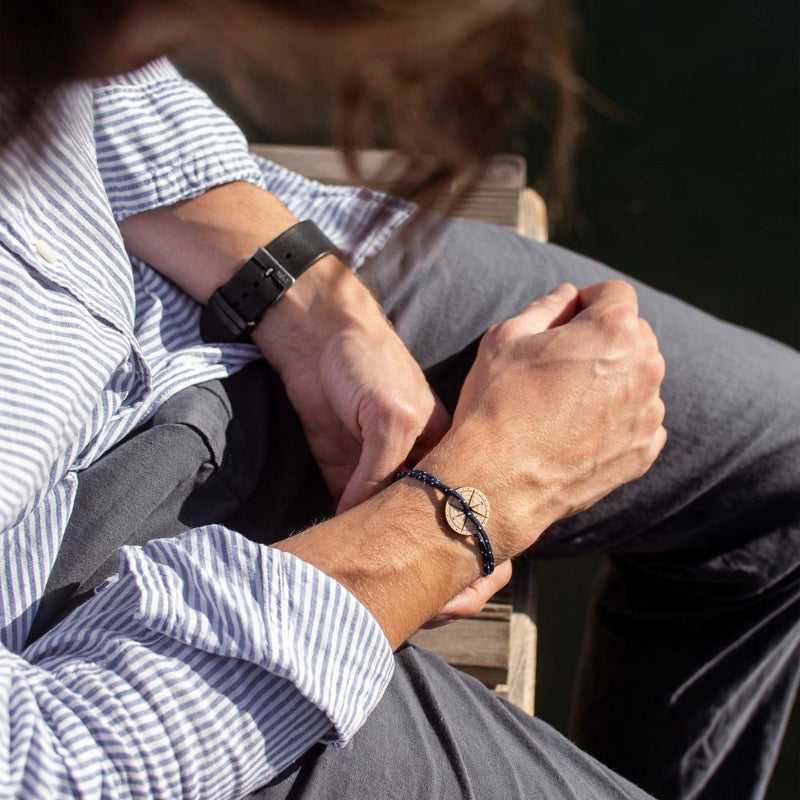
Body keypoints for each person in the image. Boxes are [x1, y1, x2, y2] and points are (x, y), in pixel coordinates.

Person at [0, 1, 797, 798]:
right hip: (91, 672)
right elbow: (50, 771)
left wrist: (304, 299)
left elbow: (99, 92)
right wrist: (465, 509)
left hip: (166, 285)